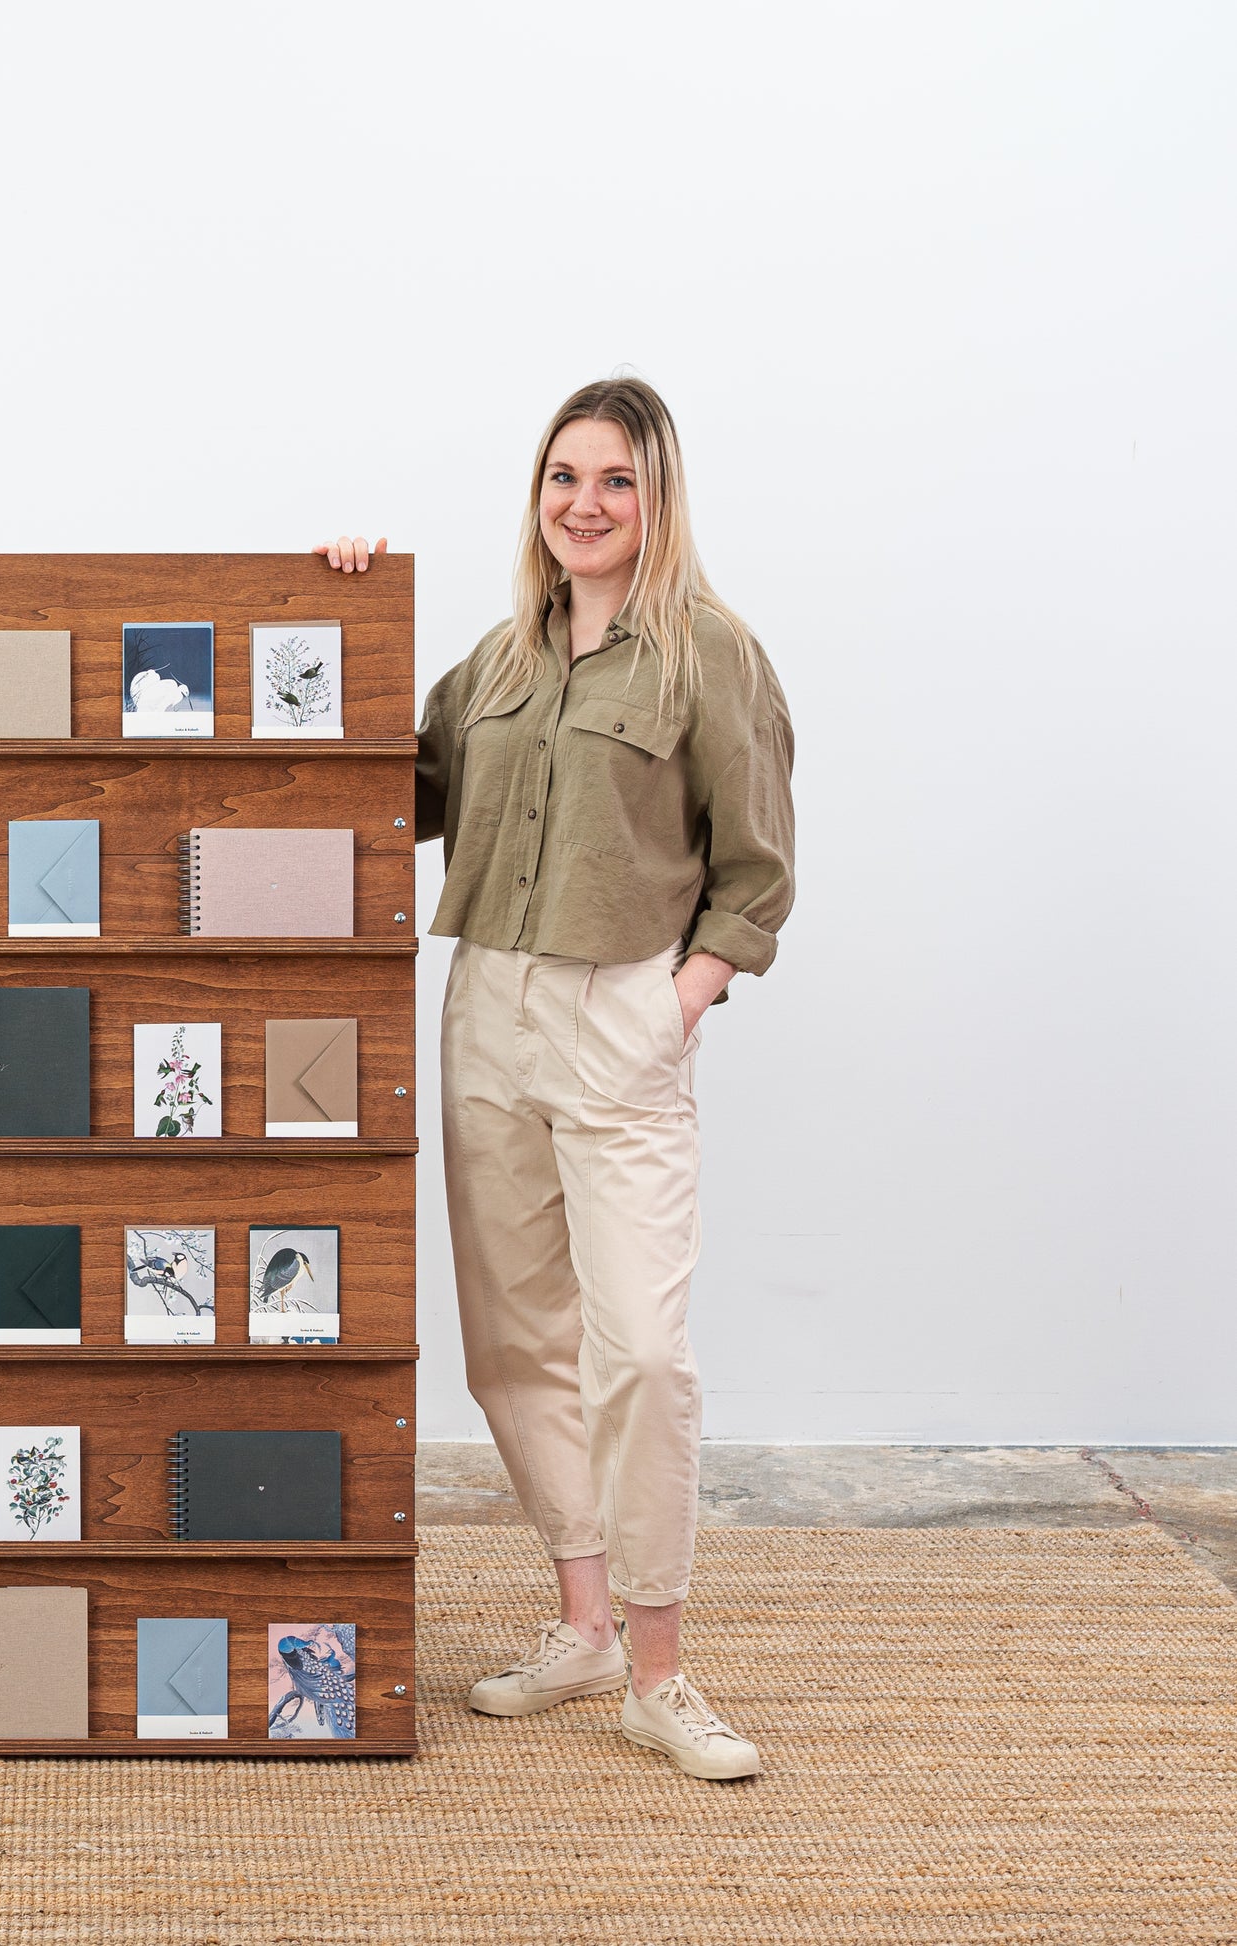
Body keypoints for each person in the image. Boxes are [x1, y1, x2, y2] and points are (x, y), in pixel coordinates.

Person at [315, 376, 795, 1781]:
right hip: (485, 1009)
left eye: (616, 480)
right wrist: (338, 613)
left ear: (658, 498)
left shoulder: (710, 655)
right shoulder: (498, 661)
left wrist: (679, 1000)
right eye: (562, 477)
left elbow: (754, 870)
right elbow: (388, 792)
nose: (584, 503)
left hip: (618, 1010)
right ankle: (582, 1623)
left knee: (640, 1347)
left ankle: (659, 1669)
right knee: (514, 1338)